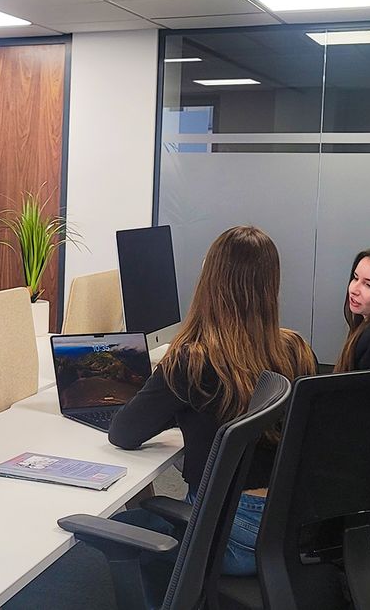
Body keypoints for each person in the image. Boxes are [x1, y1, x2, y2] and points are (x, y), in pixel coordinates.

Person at [108, 225, 317, 577]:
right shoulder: (296, 349)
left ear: (211, 282)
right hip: (287, 526)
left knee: (124, 526)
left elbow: (123, 433)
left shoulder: (192, 360)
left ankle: (171, 591)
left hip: (228, 535)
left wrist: (166, 401)